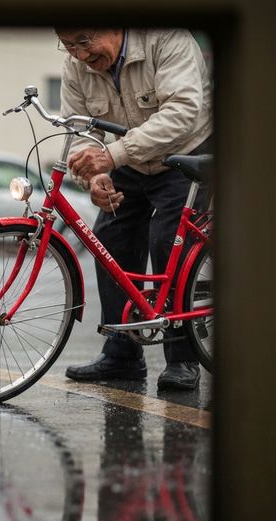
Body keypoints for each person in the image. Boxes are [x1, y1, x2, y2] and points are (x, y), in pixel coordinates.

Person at [55, 28, 212, 390]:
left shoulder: (167, 38)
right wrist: (93, 179)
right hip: (130, 156)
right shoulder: (75, 68)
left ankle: (183, 359)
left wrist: (111, 157)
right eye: (68, 45)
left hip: (186, 153)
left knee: (167, 238)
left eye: (83, 41)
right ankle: (121, 354)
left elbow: (183, 111)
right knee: (109, 237)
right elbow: (79, 131)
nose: (79, 54)